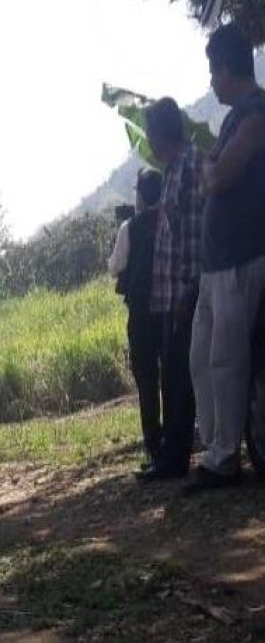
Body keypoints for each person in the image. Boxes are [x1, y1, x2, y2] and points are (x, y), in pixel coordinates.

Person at [186, 23, 265, 494]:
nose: (211, 81)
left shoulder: (256, 112)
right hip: (216, 264)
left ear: (229, 69)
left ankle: (224, 459)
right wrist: (213, 170)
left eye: (213, 71)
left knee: (228, 361)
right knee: (204, 359)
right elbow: (213, 173)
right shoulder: (237, 117)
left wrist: (213, 170)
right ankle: (216, 445)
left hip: (241, 258)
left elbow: (220, 174)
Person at [136, 97, 204, 481]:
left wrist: (186, 291)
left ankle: (175, 460)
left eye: (150, 133)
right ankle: (170, 457)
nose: (148, 141)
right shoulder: (176, 169)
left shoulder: (191, 165)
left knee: (181, 380)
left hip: (185, 293)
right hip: (172, 298)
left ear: (161, 133)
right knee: (173, 377)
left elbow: (195, 235)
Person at [109, 169, 164, 470]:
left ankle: (155, 445)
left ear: (140, 194)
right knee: (174, 377)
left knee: (146, 380)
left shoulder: (130, 227)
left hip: (142, 312)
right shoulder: (171, 218)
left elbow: (115, 265)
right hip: (171, 309)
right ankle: (179, 439)